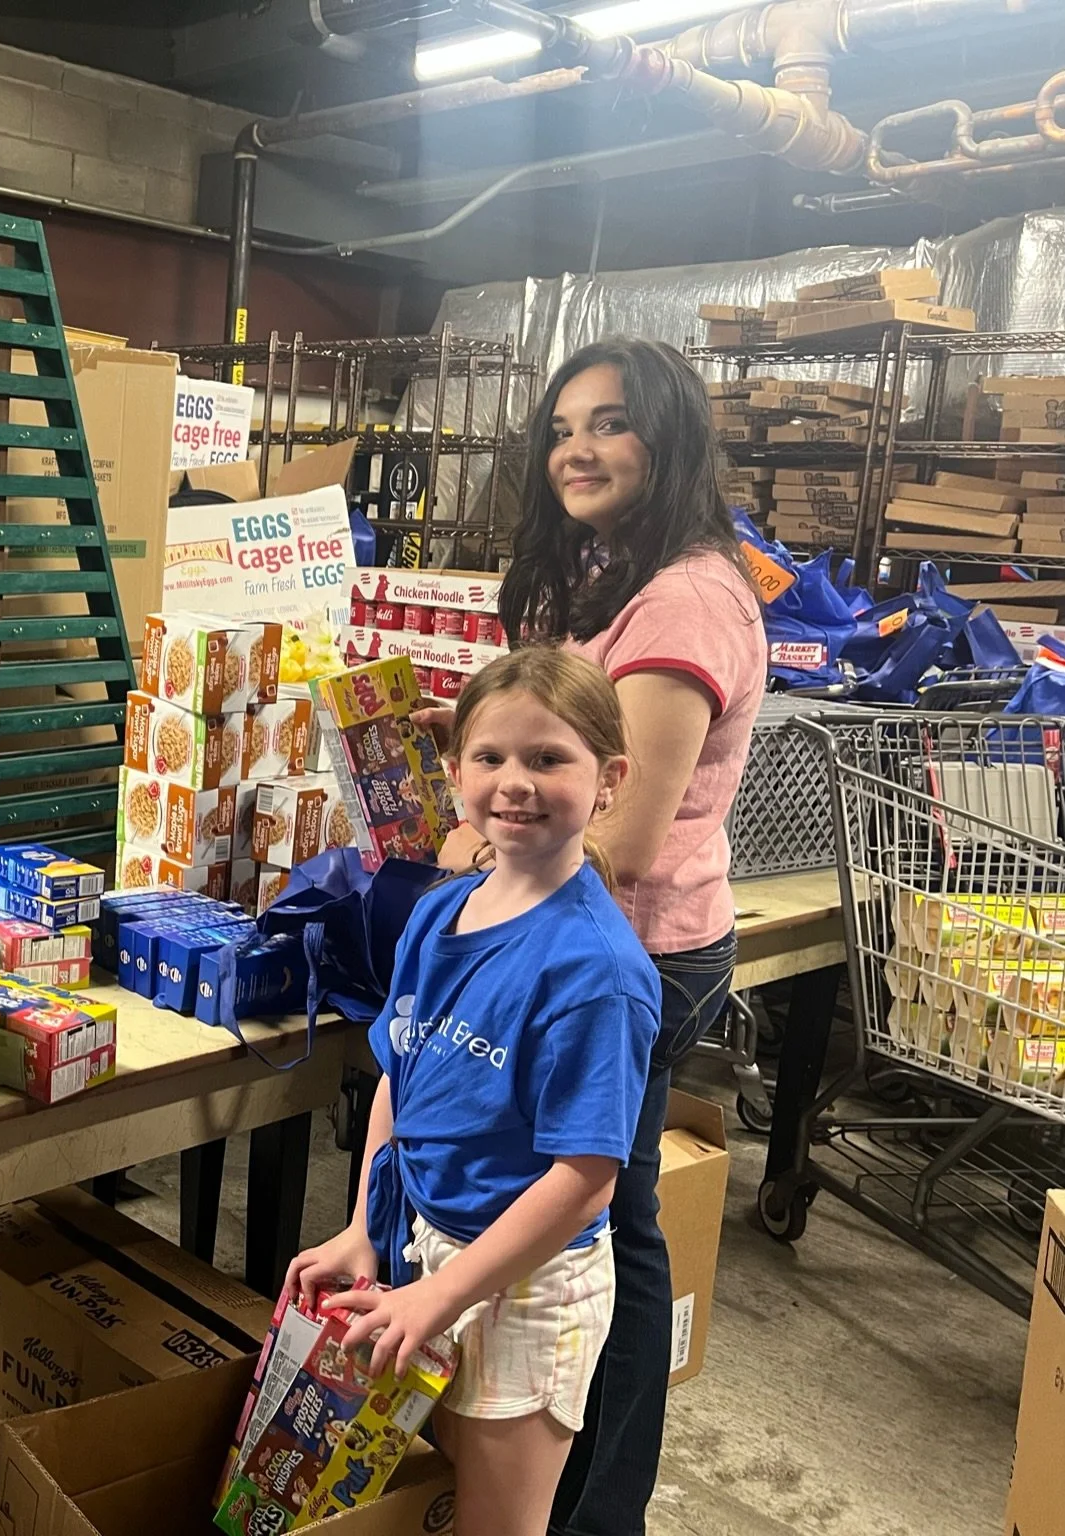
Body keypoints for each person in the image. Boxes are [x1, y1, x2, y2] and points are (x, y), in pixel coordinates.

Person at [418, 337, 765, 1535]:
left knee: (602, 1227)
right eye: (563, 427)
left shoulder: (683, 601)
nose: (578, 448)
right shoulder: (615, 575)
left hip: (630, 953)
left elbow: (620, 840)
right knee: (591, 1219)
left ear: (666, 440)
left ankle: (597, 1503)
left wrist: (470, 845)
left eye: (610, 423)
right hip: (569, 937)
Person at [286, 647, 661, 1536]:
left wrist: (441, 1298)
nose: (514, 783)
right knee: (440, 1490)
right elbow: (399, 1081)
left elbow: (584, 1181)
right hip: (425, 1253)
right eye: (489, 757)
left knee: (499, 1521)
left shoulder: (596, 972)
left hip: (526, 1289)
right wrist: (362, 1231)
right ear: (452, 769)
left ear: (607, 780)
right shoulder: (436, 911)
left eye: (547, 759)